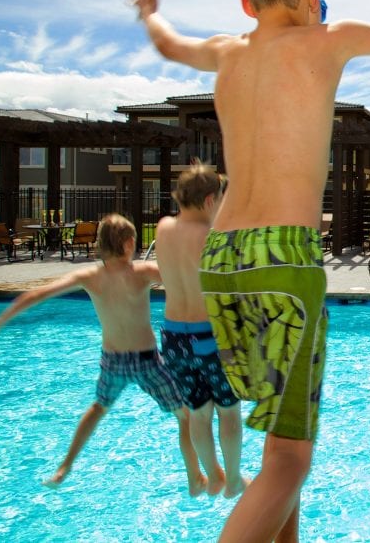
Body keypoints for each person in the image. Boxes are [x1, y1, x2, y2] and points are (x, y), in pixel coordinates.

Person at [129, 0, 370, 542]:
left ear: (248, 5)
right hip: (283, 260)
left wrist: (148, 11)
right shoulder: (326, 40)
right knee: (289, 462)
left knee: (278, 441)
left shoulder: (226, 51)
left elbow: (167, 42)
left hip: (221, 261)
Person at [0, 214, 204, 493]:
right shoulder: (143, 272)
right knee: (185, 415)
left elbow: (36, 295)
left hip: (113, 361)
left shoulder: (89, 276)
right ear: (127, 244)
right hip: (147, 360)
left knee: (98, 408)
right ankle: (194, 476)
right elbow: (189, 280)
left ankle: (65, 466)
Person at [156, 163, 247, 498]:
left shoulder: (163, 227)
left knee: (198, 412)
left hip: (172, 338)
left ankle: (213, 476)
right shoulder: (214, 238)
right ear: (210, 200)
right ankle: (234, 479)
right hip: (208, 337)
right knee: (229, 412)